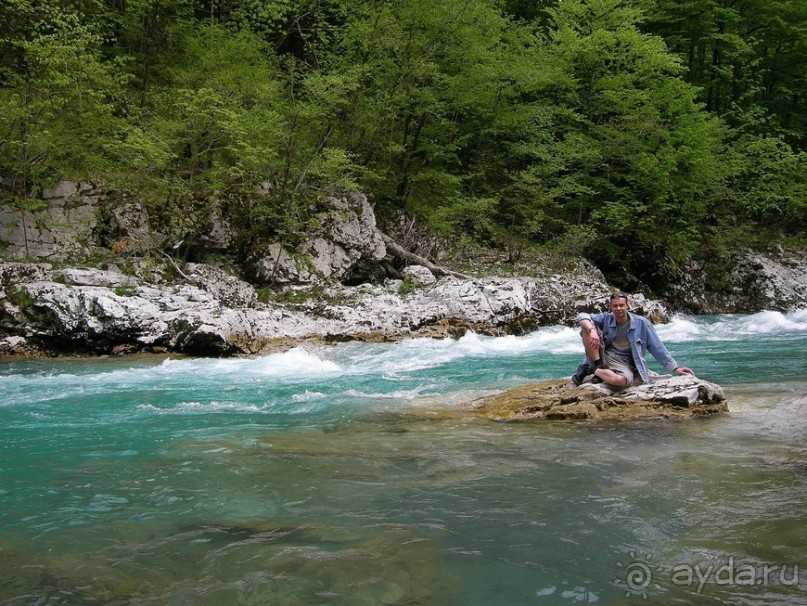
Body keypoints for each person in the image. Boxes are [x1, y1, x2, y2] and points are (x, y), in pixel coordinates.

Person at [571, 293, 695, 388]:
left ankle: (591, 370)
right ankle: (597, 366)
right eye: (615, 306)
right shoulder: (606, 318)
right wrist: (592, 330)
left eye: (621, 305)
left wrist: (675, 368)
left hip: (625, 363)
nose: (618, 308)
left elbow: (657, 347)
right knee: (586, 327)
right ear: (611, 307)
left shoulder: (642, 323)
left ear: (627, 306)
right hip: (603, 357)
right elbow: (581, 316)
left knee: (621, 381)